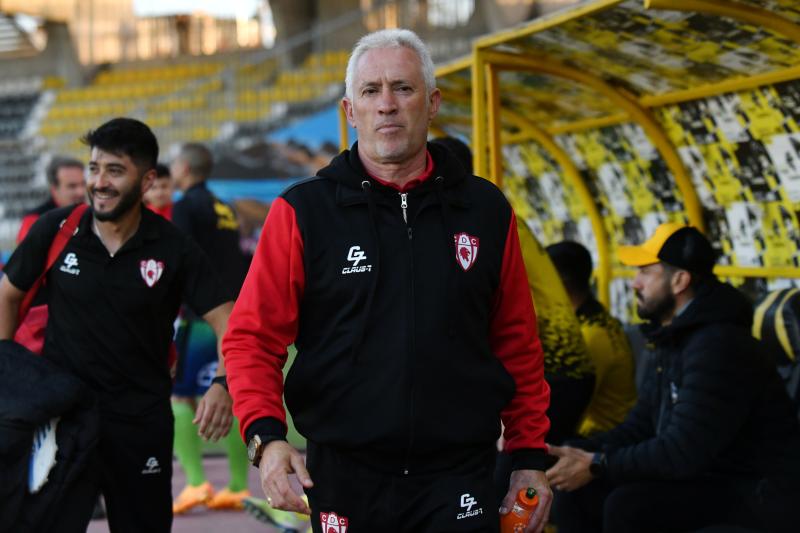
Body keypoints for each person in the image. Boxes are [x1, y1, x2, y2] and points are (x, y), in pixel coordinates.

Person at [223, 28, 552, 533]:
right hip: (344, 477)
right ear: (350, 111)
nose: (387, 105)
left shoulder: (485, 210)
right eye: (370, 92)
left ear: (433, 101)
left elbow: (517, 342)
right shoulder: (303, 211)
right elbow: (252, 338)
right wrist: (267, 441)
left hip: (459, 475)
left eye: (403, 88)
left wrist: (529, 455)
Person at [0, 117, 234, 532]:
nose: (99, 182)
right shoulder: (57, 229)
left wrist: (222, 383)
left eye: (115, 170)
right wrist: (8, 378)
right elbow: (7, 296)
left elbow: (226, 318)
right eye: (94, 168)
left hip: (139, 424)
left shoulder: (173, 246)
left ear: (145, 182)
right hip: (63, 422)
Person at [546, 222, 800, 533]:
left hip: (754, 492)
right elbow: (641, 425)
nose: (634, 283)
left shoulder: (719, 346)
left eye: (645, 272)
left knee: (627, 506)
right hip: (708, 476)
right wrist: (574, 452)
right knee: (576, 491)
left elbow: (682, 451)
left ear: (680, 280)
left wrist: (600, 463)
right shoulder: (674, 337)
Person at [168, 142, 252, 513]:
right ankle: (236, 485)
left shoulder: (186, 206)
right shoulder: (223, 206)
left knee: (180, 398)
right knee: (228, 396)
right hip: (232, 312)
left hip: (201, 315)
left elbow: (179, 260)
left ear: (184, 167)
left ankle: (196, 483)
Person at [546, 241, 636, 436]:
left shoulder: (591, 337)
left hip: (598, 437)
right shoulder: (597, 320)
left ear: (558, 282)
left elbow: (564, 410)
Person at [16, 155, 87, 243]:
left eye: (83, 184)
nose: (81, 192)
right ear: (54, 189)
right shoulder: (34, 220)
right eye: (72, 186)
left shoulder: (93, 216)